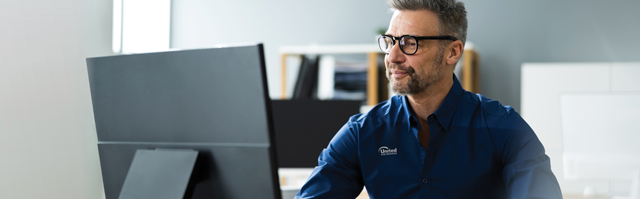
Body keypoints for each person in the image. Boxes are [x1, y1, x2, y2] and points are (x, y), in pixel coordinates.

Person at [294, 0, 562, 198]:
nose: (393, 56)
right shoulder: (363, 132)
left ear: (453, 52)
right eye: (390, 41)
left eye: (410, 43)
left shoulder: (504, 129)